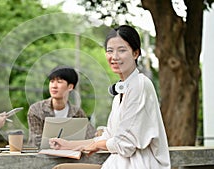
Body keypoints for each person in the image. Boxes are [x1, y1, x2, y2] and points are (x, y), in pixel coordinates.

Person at [50, 25, 171, 169]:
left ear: (135, 53)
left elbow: (125, 144)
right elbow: (108, 136)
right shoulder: (121, 91)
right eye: (109, 51)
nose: (114, 57)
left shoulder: (140, 84)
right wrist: (68, 144)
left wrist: (95, 145)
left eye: (122, 50)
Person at [27, 66, 96, 148]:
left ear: (70, 87)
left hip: (70, 156)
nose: (54, 86)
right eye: (52, 81)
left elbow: (91, 136)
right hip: (41, 157)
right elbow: (36, 141)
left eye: (59, 82)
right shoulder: (36, 110)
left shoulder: (77, 112)